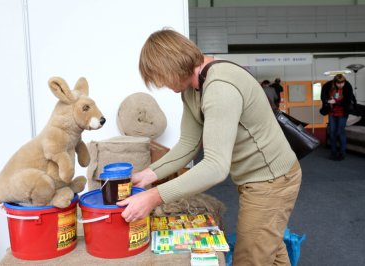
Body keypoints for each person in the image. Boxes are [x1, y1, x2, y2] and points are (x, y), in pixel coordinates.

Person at [116, 29, 301, 266]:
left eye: (161, 77)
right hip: (253, 178)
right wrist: (146, 175)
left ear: (175, 64)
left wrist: (154, 197)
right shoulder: (191, 90)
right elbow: (188, 144)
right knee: (271, 251)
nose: (162, 84)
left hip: (273, 180)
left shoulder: (220, 86)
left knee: (250, 258)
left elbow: (215, 166)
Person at [320, 74, 355, 161]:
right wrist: (327, 101)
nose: (341, 84)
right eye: (338, 83)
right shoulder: (330, 88)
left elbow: (347, 102)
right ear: (335, 82)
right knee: (332, 133)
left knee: (340, 132)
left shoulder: (347, 88)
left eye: (342, 82)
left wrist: (335, 102)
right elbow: (324, 98)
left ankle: (342, 153)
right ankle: (333, 152)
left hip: (342, 113)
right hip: (332, 113)